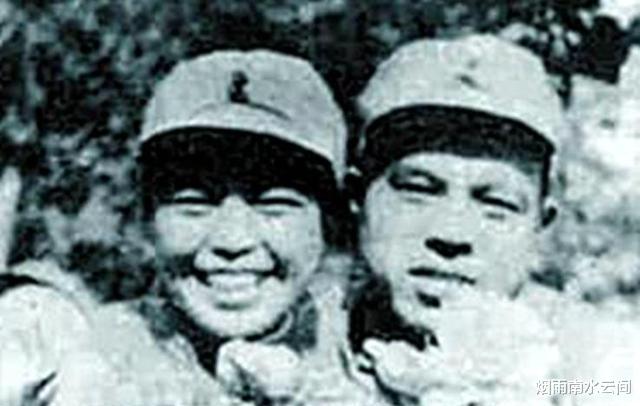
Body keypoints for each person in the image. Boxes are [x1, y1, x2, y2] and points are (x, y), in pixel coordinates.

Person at [0, 49, 369, 405]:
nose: (233, 240)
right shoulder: (87, 354)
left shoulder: (366, 359)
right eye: (193, 203)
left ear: (328, 220)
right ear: (147, 217)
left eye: (274, 204)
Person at [343, 34, 640, 406]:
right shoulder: (298, 343)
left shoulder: (600, 370)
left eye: (497, 204)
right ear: (357, 196)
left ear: (540, 226)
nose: (452, 233)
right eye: (419, 190)